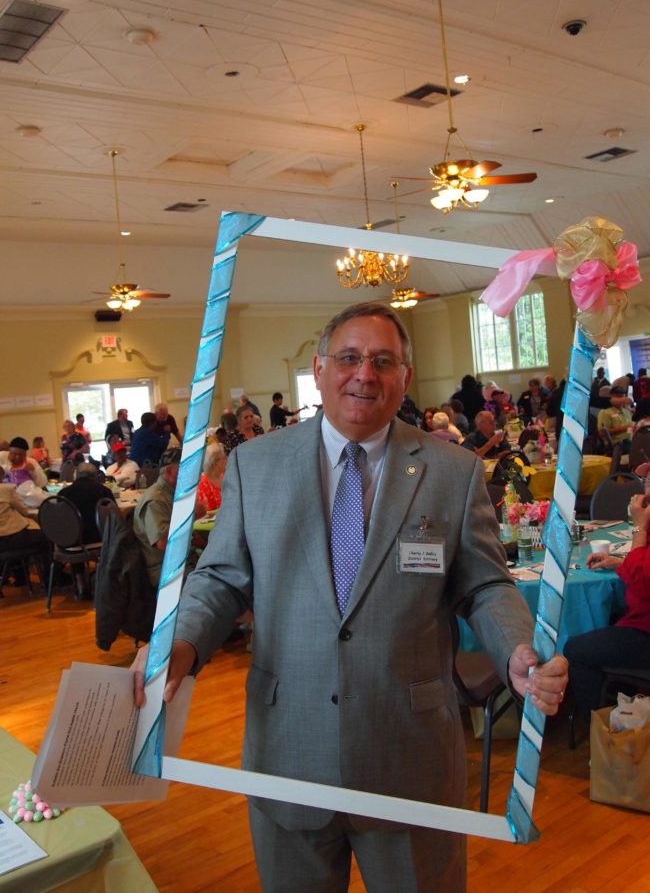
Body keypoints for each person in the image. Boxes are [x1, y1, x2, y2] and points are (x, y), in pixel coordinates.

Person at [133, 301, 567, 893]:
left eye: (384, 361)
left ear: (405, 378)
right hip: (290, 750)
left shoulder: (453, 470)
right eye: (349, 357)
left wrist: (516, 647)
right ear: (318, 368)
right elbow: (220, 577)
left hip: (408, 755)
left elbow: (487, 584)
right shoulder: (256, 465)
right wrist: (176, 647)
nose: (365, 374)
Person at [564, 492, 650, 721]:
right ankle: (622, 699)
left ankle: (595, 726)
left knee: (575, 649)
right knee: (608, 615)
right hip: (640, 619)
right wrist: (619, 563)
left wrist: (639, 527)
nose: (643, 495)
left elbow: (642, 581)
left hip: (645, 629)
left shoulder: (644, 527)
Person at [133, 447, 202, 586]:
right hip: (167, 568)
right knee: (219, 584)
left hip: (184, 560)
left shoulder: (171, 494)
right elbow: (163, 542)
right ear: (170, 471)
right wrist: (191, 515)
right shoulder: (155, 500)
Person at [59, 463, 114, 598]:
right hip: (99, 539)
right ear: (95, 477)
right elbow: (114, 517)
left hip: (70, 542)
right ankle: (105, 582)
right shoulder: (103, 491)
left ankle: (81, 584)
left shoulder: (63, 493)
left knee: (75, 533)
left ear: (76, 475)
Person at [0, 466, 50, 587]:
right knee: (47, 537)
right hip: (11, 536)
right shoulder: (6, 489)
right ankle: (50, 577)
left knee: (22, 537)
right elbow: (24, 510)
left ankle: (20, 576)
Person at [597, 385, 633, 453]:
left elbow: (630, 428)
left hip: (630, 440)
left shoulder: (626, 411)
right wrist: (623, 428)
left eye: (622, 396)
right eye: (618, 397)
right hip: (617, 444)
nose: (621, 399)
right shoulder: (605, 412)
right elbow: (602, 433)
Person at [197, 442, 227, 512]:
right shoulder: (202, 485)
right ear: (216, 464)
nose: (228, 459)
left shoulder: (224, 475)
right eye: (225, 457)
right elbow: (207, 516)